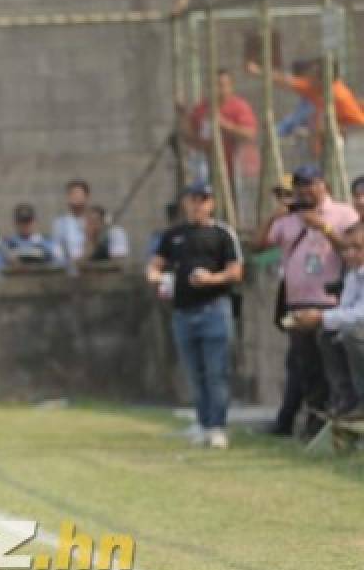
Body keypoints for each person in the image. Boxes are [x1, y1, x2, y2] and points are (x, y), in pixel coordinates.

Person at [254, 165, 359, 434]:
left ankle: (324, 421)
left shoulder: (343, 214)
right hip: (298, 303)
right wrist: (273, 217)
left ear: (322, 184)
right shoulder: (290, 217)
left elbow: (351, 251)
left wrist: (322, 227)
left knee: (331, 366)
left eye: (310, 185)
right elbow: (258, 245)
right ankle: (311, 422)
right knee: (305, 366)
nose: (304, 192)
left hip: (331, 304)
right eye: (300, 187)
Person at [147, 181, 244, 449]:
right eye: (193, 199)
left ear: (211, 203)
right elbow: (155, 266)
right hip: (183, 312)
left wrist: (212, 279)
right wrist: (160, 279)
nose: (197, 205)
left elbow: (236, 272)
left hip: (214, 308)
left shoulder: (222, 234)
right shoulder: (173, 236)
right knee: (194, 373)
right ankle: (203, 423)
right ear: (185, 203)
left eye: (203, 199)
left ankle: (217, 425)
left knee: (217, 371)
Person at [289, 223, 364, 421]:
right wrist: (313, 317)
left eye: (357, 248)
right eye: (347, 248)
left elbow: (361, 314)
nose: (350, 254)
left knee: (352, 333)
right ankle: (345, 399)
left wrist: (321, 316)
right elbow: (345, 310)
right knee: (327, 334)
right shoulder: (353, 276)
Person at [177, 68, 260, 202]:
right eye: (213, 85)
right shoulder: (202, 108)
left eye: (221, 85)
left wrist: (223, 124)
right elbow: (192, 138)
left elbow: (249, 134)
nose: (217, 89)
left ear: (230, 87)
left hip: (235, 168)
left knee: (235, 203)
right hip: (207, 167)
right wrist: (184, 116)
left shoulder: (238, 107)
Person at [2, 203, 61, 267]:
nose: (25, 225)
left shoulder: (48, 243)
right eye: (21, 221)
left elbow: (60, 263)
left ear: (35, 221)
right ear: (15, 222)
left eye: (28, 220)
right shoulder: (7, 244)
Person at [51, 179, 92, 265]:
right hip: (68, 268)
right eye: (71, 194)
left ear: (86, 196)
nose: (75, 197)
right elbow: (57, 250)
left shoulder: (94, 220)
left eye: (78, 194)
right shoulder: (60, 223)